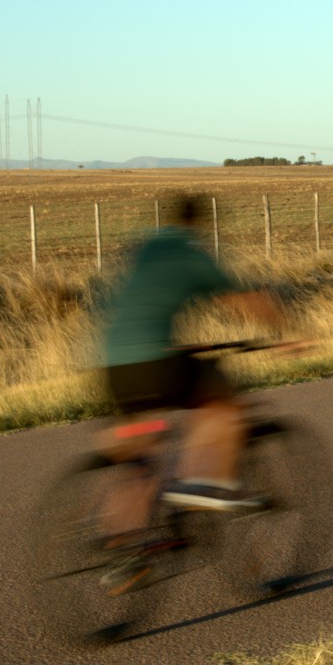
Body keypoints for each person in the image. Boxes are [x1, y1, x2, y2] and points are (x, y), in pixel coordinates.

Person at [97, 194, 299, 552]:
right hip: (153, 362)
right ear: (199, 224)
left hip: (111, 364)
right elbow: (244, 301)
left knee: (140, 455)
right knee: (224, 402)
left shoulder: (141, 251)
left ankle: (124, 547)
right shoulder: (191, 254)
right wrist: (289, 332)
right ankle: (200, 485)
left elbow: (134, 310)